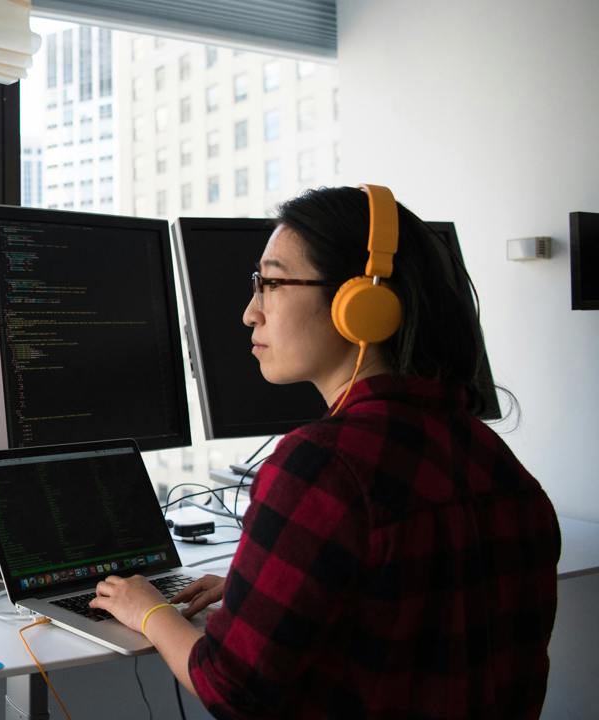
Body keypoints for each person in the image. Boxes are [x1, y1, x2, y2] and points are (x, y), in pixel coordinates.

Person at [89, 186, 560, 718]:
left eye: (270, 283)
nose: (250, 313)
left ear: (361, 305)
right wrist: (262, 590)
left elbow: (231, 687)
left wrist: (149, 610)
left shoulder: (322, 465)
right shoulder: (494, 457)